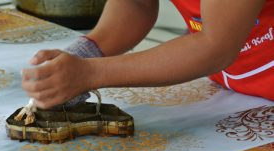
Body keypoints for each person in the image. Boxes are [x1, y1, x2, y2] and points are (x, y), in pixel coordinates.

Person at [22, 0, 274, 109]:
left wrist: (89, 73)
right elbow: (136, 5)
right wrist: (83, 54)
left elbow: (215, 46)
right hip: (233, 88)